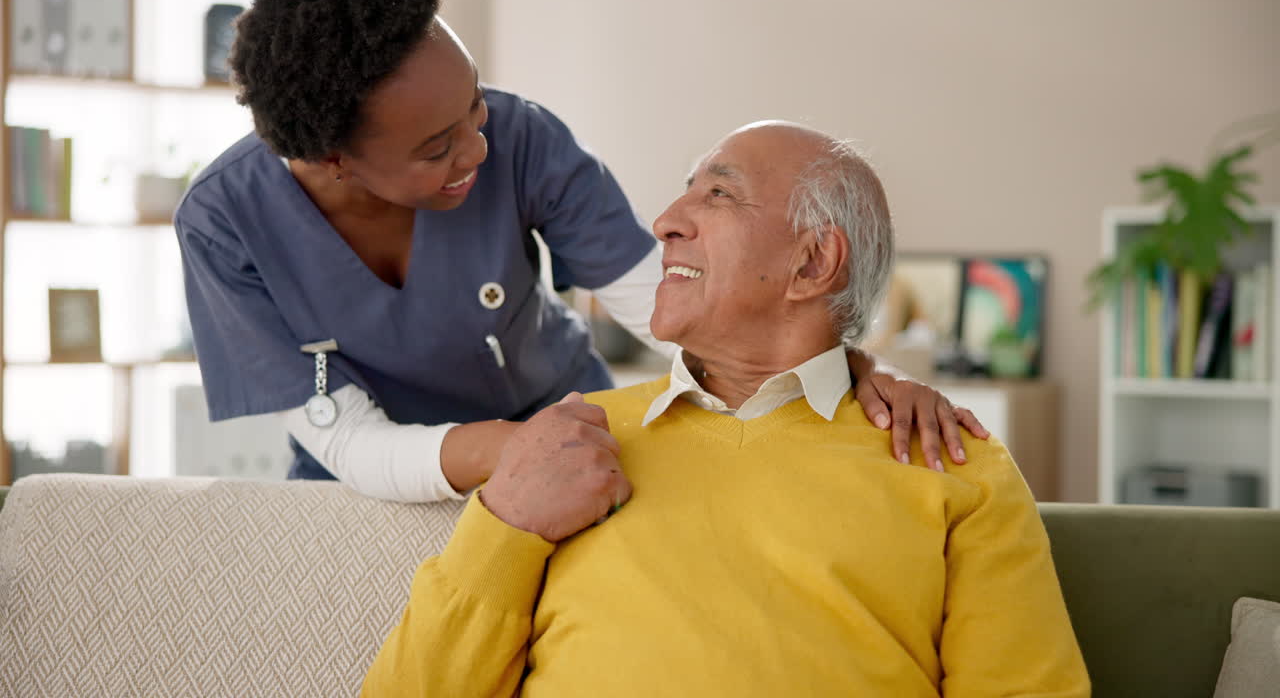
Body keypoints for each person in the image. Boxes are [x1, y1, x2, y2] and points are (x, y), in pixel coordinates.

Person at [175, 0, 984, 504]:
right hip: (377, 483)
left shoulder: (521, 138)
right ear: (331, 160)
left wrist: (855, 378)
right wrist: (518, 455)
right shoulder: (224, 225)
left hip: (571, 425)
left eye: (474, 111)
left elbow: (669, 302)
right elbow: (348, 440)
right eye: (436, 150)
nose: (478, 151)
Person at [361, 122, 1089, 696]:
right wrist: (507, 526)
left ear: (812, 263)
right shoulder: (569, 443)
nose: (666, 220)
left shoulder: (950, 461)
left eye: (717, 195)